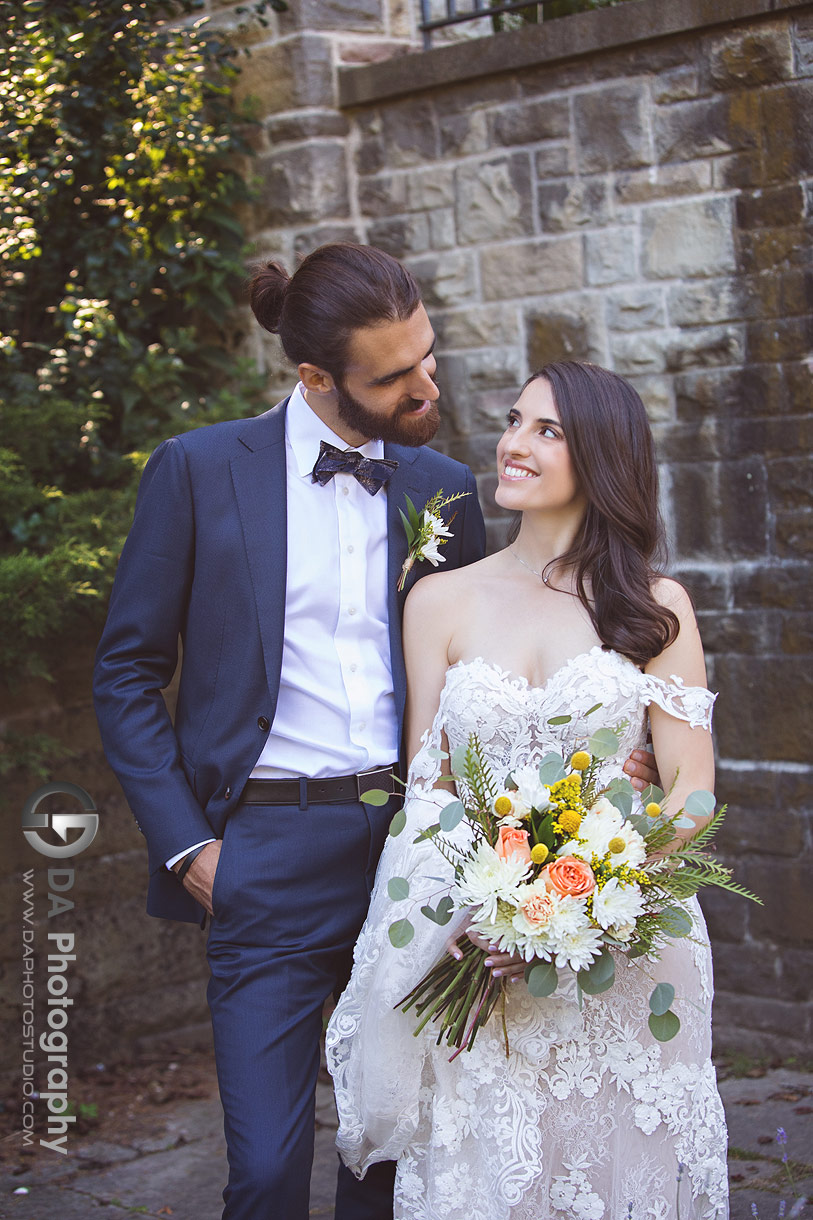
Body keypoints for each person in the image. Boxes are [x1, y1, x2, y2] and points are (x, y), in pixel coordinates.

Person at [93, 244, 659, 1220]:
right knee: (267, 1170)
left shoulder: (442, 486)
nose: (426, 384)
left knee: (396, 1152)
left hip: (418, 851)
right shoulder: (194, 471)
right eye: (394, 375)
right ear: (317, 376)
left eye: (426, 357)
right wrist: (190, 845)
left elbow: (483, 671)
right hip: (260, 852)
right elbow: (127, 670)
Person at [326, 360, 729, 1220]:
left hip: (625, 947)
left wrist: (583, 902)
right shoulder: (438, 599)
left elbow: (691, 789)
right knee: (490, 1173)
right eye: (514, 421)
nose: (512, 443)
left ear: (602, 456)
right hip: (478, 939)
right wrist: (494, 916)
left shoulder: (656, 608)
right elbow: (426, 792)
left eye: (546, 430)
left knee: (619, 1173)